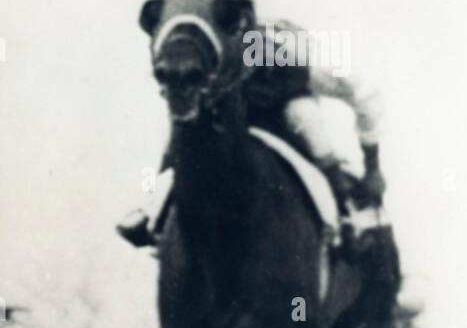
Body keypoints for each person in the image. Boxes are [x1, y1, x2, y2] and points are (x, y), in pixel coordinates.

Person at [118, 16, 388, 252]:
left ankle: (347, 216)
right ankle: (152, 209)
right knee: (180, 130)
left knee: (306, 118)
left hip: (287, 109)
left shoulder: (306, 60)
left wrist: (372, 162)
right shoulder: (221, 51)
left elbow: (363, 95)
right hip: (236, 111)